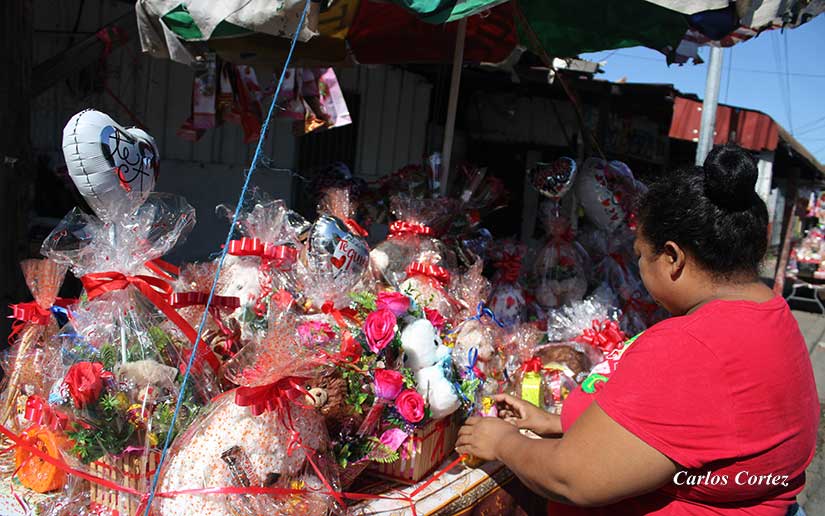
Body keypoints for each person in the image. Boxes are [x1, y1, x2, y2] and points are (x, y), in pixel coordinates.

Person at [456, 145, 820, 515]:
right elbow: (693, 432)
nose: (640, 268)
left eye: (642, 255)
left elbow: (573, 478)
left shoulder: (693, 344)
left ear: (673, 258)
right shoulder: (772, 315)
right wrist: (555, 423)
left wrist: (503, 442)